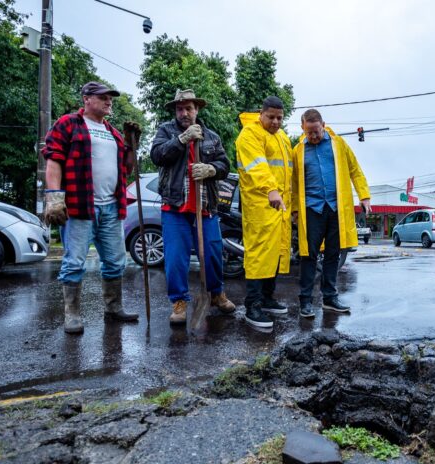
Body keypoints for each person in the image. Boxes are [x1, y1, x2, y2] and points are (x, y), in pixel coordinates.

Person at [42, 81, 139, 334]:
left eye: (111, 98)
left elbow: (127, 169)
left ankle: (113, 307)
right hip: (79, 206)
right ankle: (71, 314)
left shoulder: (114, 133)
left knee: (116, 262)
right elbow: (54, 160)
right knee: (74, 262)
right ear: (86, 98)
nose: (109, 102)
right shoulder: (68, 124)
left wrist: (131, 144)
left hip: (111, 207)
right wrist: (54, 196)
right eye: (103, 97)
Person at [150, 89, 236, 325]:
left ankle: (216, 293)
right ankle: (179, 302)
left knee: (212, 253)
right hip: (175, 208)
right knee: (176, 258)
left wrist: (211, 170)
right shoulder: (166, 131)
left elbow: (224, 165)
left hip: (205, 206)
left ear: (197, 110)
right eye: (180, 109)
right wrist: (181, 139)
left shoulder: (212, 136)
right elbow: (157, 155)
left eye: (189, 108)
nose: (184, 113)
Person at [292, 109, 371, 318]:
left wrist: (364, 196)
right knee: (308, 255)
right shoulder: (298, 150)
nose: (314, 136)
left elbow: (355, 169)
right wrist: (293, 209)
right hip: (311, 209)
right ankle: (306, 301)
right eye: (309, 133)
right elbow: (292, 183)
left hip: (336, 209)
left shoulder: (339, 145)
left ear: (323, 125)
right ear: (302, 128)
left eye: (316, 131)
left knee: (333, 254)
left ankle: (329, 298)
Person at [235, 96, 293, 328]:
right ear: (261, 114)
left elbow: (290, 173)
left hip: (281, 207)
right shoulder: (249, 134)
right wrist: (270, 190)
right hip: (260, 205)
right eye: (271, 117)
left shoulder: (282, 138)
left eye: (280, 117)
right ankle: (253, 306)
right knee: (259, 255)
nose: (276, 122)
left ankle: (268, 299)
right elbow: (257, 167)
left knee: (275, 254)